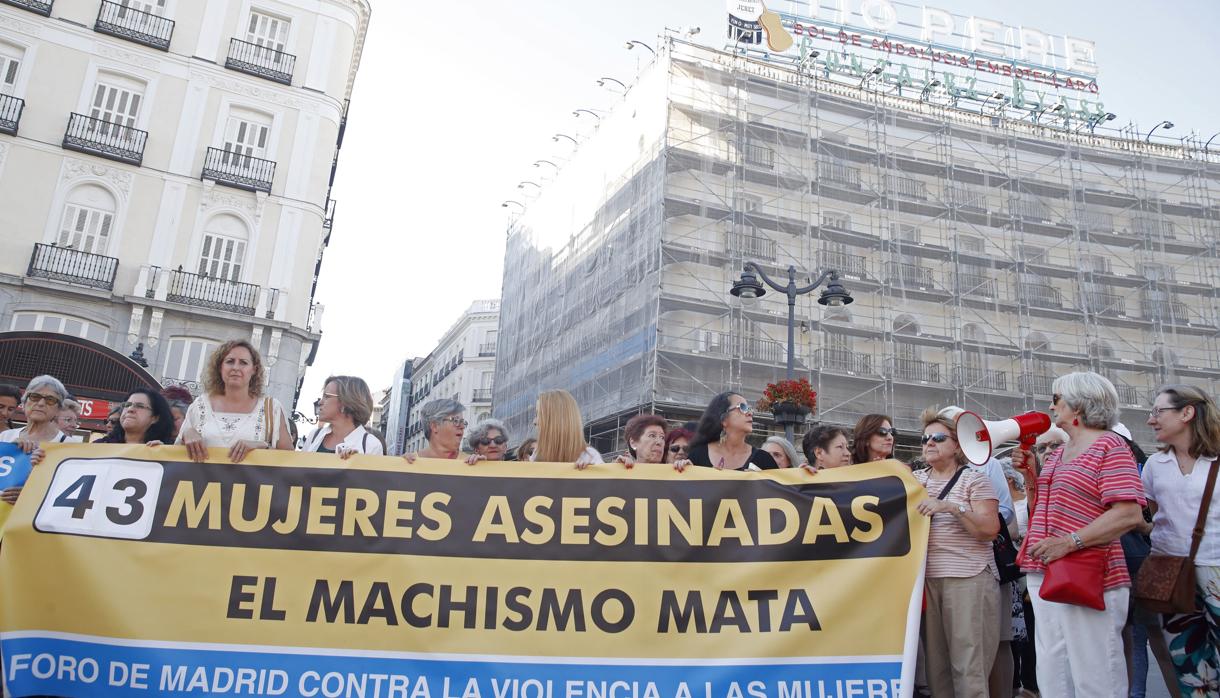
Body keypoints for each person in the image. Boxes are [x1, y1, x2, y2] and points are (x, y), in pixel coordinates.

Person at [1014, 371, 1146, 698]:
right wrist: (1031, 474)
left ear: (1078, 405)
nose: (1051, 405)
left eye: (1056, 398)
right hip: (1047, 568)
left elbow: (1128, 513)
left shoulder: (1110, 446)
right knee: (1052, 670)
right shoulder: (1060, 452)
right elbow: (1045, 507)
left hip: (1088, 569)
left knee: (1095, 672)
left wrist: (1068, 542)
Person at [913, 406, 1001, 698]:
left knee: (969, 667)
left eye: (938, 437)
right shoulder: (914, 481)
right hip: (927, 581)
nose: (929, 443)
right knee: (936, 672)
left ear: (957, 445)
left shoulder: (975, 480)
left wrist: (952, 507)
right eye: (925, 438)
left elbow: (990, 528)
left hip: (969, 577)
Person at [1142, 385, 1220, 696]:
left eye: (1158, 412)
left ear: (1187, 413)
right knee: (1188, 663)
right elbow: (1155, 515)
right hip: (1170, 572)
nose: (1151, 420)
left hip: (1216, 566)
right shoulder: (1154, 465)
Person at [175, 340, 293, 463]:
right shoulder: (199, 406)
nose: (236, 367)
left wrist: (262, 447)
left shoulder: (271, 409)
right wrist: (186, 434)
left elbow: (289, 460)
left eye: (243, 363)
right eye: (230, 361)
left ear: (254, 369)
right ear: (220, 367)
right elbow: (176, 457)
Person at [0, 375, 69, 505]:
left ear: (58, 409)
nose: (41, 403)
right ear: (24, 402)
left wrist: (32, 492)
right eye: (35, 397)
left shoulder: (68, 445)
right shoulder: (5, 436)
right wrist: (9, 451)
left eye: (50, 400)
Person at [686, 392, 777, 471]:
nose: (750, 413)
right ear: (723, 420)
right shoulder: (698, 455)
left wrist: (758, 483)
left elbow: (779, 490)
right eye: (742, 407)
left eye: (749, 409)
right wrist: (682, 468)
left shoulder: (764, 459)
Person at [302, 375, 383, 457]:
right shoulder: (314, 436)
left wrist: (356, 462)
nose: (320, 402)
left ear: (345, 402)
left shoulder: (371, 445)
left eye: (326, 396)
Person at [533, 389, 602, 467]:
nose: (534, 421)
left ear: (555, 419)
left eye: (538, 415)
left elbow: (608, 477)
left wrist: (590, 473)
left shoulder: (590, 457)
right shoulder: (536, 455)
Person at [96, 389, 175, 445]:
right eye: (127, 405)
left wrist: (162, 455)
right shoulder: (100, 446)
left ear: (155, 418)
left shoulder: (163, 451)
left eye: (140, 406)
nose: (130, 409)